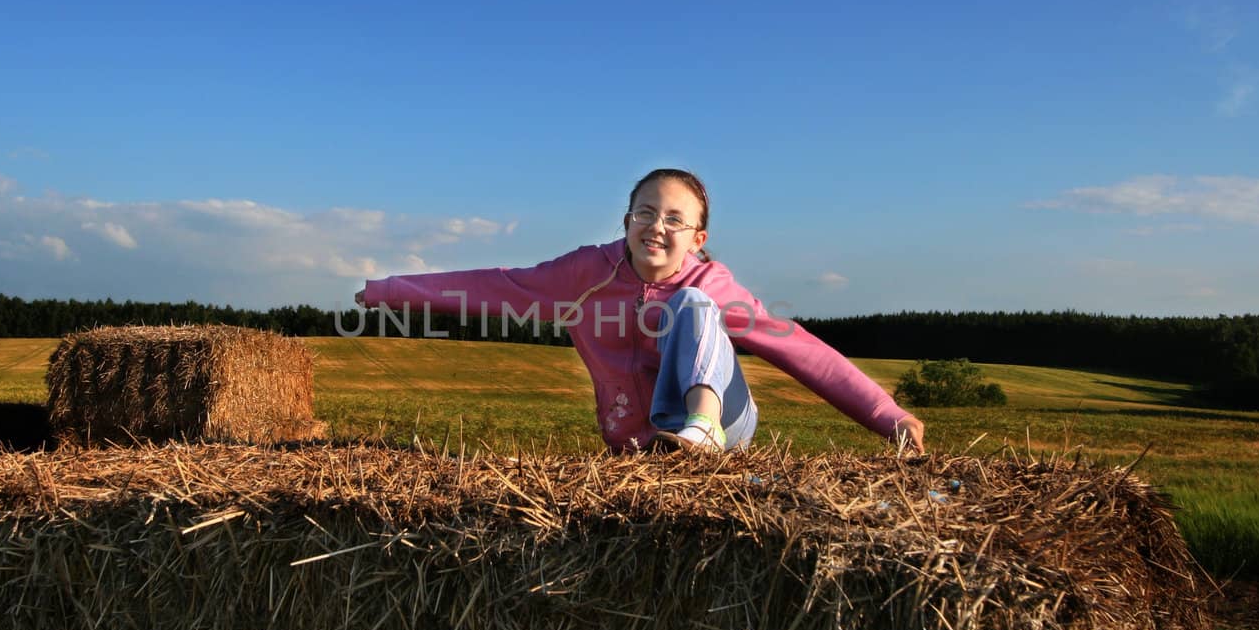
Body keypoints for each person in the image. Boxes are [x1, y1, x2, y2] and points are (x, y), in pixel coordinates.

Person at [353, 168, 925, 455]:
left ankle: (698, 427)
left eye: (675, 219)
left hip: (726, 422)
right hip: (634, 437)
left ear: (697, 238)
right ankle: (673, 437)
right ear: (626, 220)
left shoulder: (710, 280)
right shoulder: (583, 273)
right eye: (646, 212)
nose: (658, 226)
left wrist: (887, 415)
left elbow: (801, 351)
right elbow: (493, 287)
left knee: (696, 307)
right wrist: (388, 290)